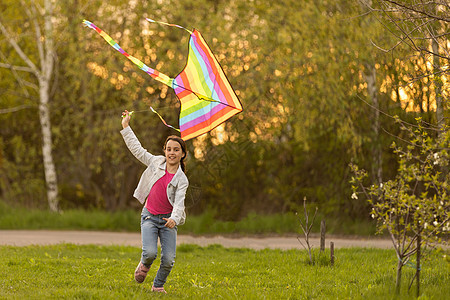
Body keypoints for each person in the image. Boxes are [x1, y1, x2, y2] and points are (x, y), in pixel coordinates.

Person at [120, 110, 188, 294]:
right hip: (149, 216)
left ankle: (158, 285)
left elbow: (180, 203)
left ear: (182, 154)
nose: (171, 153)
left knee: (168, 259)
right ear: (164, 151)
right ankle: (144, 264)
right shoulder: (156, 162)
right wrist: (126, 126)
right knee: (150, 253)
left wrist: (174, 218)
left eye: (176, 150)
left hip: (168, 221)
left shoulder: (182, 180)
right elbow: (138, 150)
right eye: (169, 149)